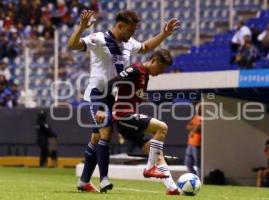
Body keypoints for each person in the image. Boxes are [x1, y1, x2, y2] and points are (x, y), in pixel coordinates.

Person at [67, 10, 180, 192]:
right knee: (105, 130)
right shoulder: (99, 39)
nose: (132, 35)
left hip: (113, 97)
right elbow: (73, 45)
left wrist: (164, 34)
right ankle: (104, 179)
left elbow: (145, 47)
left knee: (97, 137)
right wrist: (81, 27)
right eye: (130, 31)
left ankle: (84, 181)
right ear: (120, 26)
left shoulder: (128, 43)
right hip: (97, 94)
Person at [103, 49, 179, 195]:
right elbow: (110, 84)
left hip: (127, 118)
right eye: (162, 68)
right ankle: (149, 168)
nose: (162, 72)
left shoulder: (145, 76)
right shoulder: (136, 70)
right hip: (122, 116)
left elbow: (134, 95)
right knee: (162, 128)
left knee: (156, 152)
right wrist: (104, 108)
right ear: (154, 60)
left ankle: (172, 188)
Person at [184, 108, 201, 178]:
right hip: (190, 144)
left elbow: (198, 128)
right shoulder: (196, 117)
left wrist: (193, 129)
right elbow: (188, 126)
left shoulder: (205, 119)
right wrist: (194, 128)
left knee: (198, 164)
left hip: (198, 145)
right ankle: (194, 178)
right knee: (188, 163)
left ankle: (200, 180)